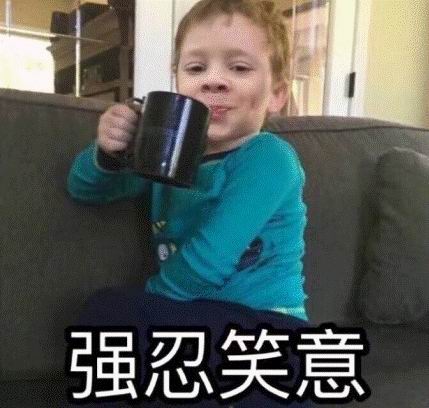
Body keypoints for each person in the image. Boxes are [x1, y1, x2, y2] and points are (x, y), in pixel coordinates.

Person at [67, 0, 311, 406]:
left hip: (270, 327)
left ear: (277, 94)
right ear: (177, 82)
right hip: (196, 323)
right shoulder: (170, 153)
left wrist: (151, 303)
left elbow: (210, 258)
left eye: (239, 68)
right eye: (196, 68)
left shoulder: (269, 158)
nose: (213, 81)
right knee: (104, 317)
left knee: (120, 316)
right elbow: (85, 190)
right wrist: (109, 152)